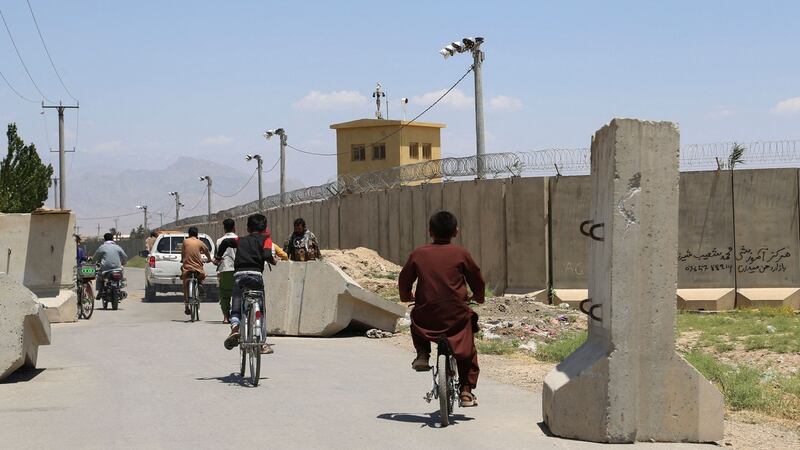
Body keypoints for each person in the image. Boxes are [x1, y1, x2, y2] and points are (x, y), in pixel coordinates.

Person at [398, 210, 485, 407]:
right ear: (456, 231)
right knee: (468, 346)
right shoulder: (461, 254)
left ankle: (422, 354)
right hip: (456, 317)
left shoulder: (418, 254)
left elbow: (404, 279)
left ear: (430, 231)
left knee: (416, 316)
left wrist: (406, 296)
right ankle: (465, 391)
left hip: (427, 316)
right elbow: (476, 279)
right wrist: (478, 298)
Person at [215, 213, 276, 353]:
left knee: (236, 307)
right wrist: (273, 261)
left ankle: (235, 329)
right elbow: (267, 255)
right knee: (260, 308)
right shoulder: (266, 239)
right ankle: (261, 343)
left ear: (248, 228)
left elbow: (225, 242)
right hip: (256, 276)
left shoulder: (239, 240)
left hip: (239, 276)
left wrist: (218, 257)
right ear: (265, 228)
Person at [181, 227, 211, 316]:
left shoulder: (185, 242)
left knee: (185, 284)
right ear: (197, 234)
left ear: (188, 234)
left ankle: (186, 306)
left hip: (187, 268)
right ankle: (200, 284)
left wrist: (182, 260)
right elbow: (206, 251)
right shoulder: (200, 242)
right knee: (202, 275)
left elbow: (182, 253)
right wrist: (209, 259)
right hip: (198, 267)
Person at [215, 218, 238, 324]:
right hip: (237, 269)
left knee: (224, 294)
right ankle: (236, 316)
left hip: (225, 269)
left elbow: (217, 257)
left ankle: (225, 317)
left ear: (224, 229)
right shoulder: (239, 239)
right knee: (238, 294)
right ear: (234, 227)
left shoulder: (219, 241)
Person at [92, 232, 128, 298]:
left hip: (106, 269)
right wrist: (124, 262)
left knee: (99, 277)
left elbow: (95, 257)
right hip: (117, 269)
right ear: (112, 239)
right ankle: (120, 285)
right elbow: (125, 256)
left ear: (104, 239)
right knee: (121, 276)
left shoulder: (102, 247)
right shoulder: (117, 247)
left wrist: (92, 262)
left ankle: (100, 291)